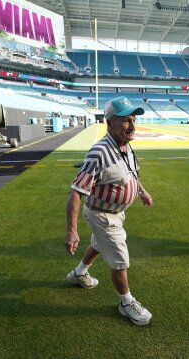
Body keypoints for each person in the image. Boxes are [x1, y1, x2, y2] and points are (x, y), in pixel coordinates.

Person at [65, 96, 154, 326]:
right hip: (101, 215)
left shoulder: (125, 145)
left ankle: (79, 273)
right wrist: (71, 230)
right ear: (110, 123)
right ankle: (126, 303)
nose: (132, 126)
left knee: (97, 244)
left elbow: (133, 173)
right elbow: (76, 191)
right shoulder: (99, 153)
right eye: (125, 121)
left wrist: (141, 191)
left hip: (116, 212)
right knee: (120, 259)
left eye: (133, 119)